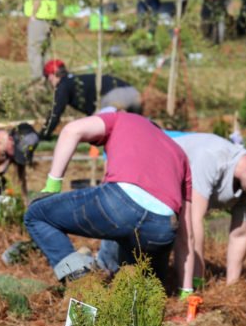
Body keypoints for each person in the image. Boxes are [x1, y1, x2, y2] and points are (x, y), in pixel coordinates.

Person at [23, 111, 193, 285]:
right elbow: (187, 234)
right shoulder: (179, 153)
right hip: (162, 228)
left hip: (120, 203)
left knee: (36, 215)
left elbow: (71, 131)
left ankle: (80, 279)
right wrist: (186, 290)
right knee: (143, 292)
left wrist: (52, 186)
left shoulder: (124, 118)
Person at [169, 135, 246, 292]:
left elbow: (240, 234)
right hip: (155, 179)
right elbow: (193, 221)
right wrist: (197, 279)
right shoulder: (212, 158)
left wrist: (232, 288)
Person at [39, 59, 141, 140]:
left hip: (115, 96)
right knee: (137, 129)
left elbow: (55, 113)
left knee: (102, 131)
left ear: (51, 76)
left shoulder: (63, 85)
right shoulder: (76, 80)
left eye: (48, 77)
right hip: (133, 92)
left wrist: (43, 135)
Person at [24, 0, 60, 82]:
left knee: (34, 49)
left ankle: (37, 80)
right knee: (45, 51)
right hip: (50, 15)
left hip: (39, 15)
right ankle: (48, 78)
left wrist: (33, 14)